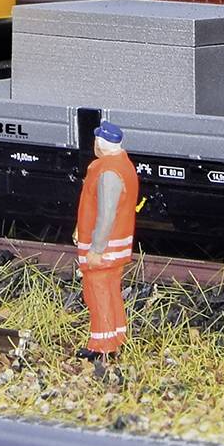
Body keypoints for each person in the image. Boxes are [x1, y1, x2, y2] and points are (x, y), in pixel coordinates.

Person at [74, 120, 140, 378]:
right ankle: (117, 338)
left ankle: (101, 346)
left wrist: (96, 249)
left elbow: (106, 214)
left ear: (100, 143)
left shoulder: (109, 172)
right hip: (117, 245)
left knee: (97, 294)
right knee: (112, 292)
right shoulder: (122, 165)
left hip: (105, 248)